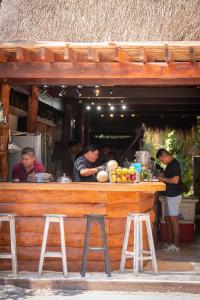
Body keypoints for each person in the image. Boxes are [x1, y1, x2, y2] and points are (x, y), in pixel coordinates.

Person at [156, 148, 182, 252]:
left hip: (173, 195)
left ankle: (175, 245)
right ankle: (170, 243)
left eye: (162, 160)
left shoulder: (174, 164)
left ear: (165, 156)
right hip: (169, 195)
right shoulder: (170, 165)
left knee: (173, 220)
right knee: (168, 220)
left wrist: (163, 179)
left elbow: (176, 180)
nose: (162, 162)